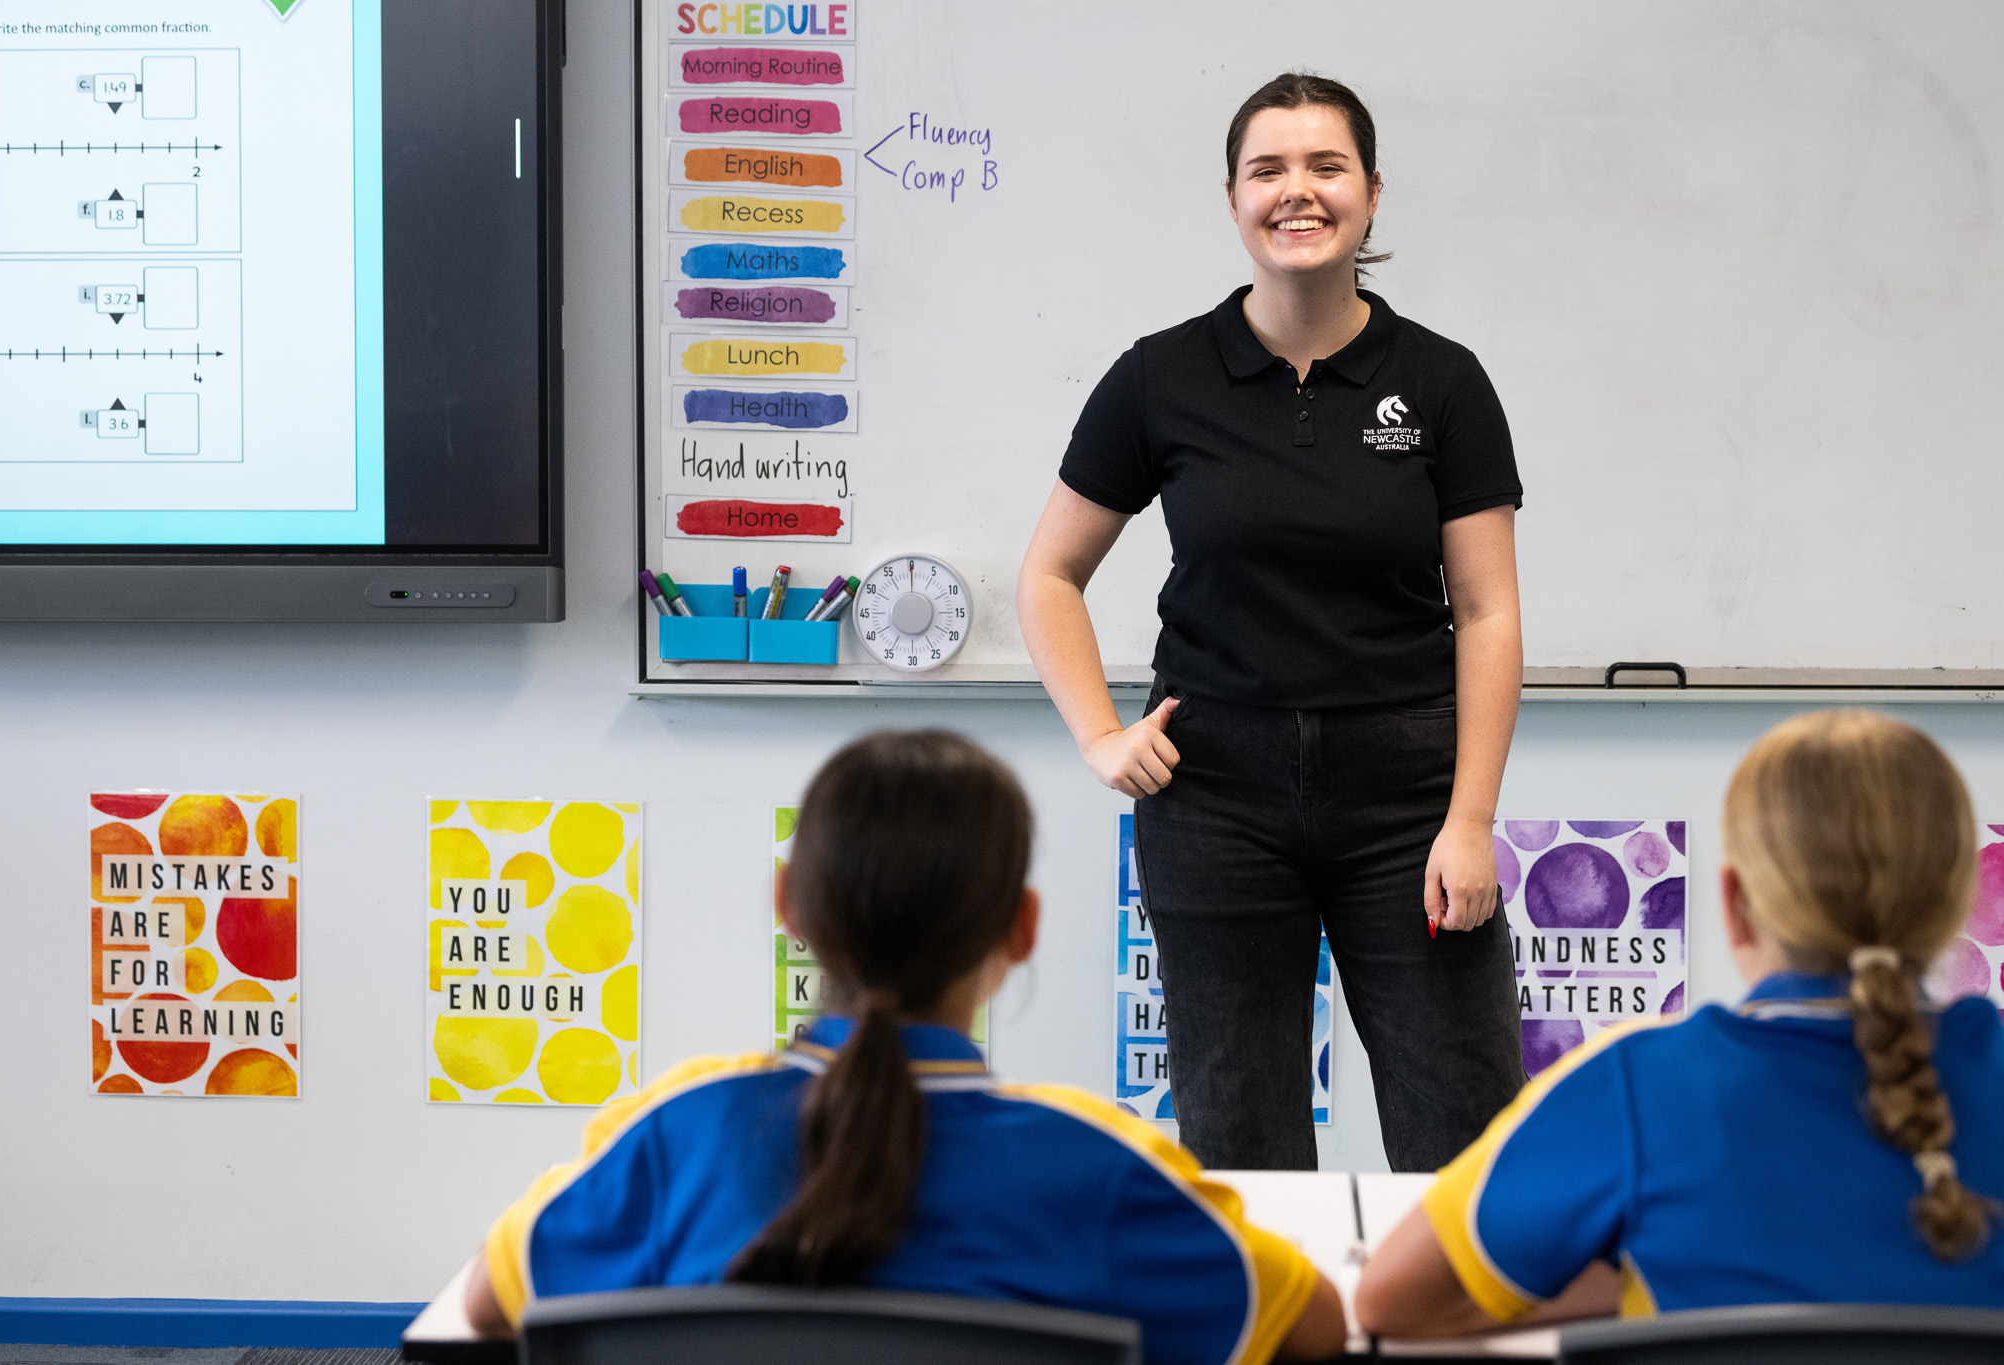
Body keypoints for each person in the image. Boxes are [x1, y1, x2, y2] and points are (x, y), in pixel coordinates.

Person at [1018, 71, 1526, 1173]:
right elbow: (1050, 573)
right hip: (1214, 801)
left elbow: (1485, 613)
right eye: (1268, 170)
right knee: (1238, 1136)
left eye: (1324, 166)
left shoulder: (1441, 383)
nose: (1296, 191)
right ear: (1232, 198)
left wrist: (1469, 819)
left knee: (1467, 1137)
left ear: (1372, 193)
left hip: (1407, 801)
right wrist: (1100, 736)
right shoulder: (1159, 378)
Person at [463, 730, 1346, 1363]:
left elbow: (489, 1302)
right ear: (1021, 927)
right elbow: (1315, 1328)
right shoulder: (1098, 1163)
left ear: (788, 908)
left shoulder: (675, 1131)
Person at [1357, 710, 2004, 1337]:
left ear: (1735, 904)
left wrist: (1646, 1267)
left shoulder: (1635, 1082)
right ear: (1957, 905)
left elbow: (1389, 1298)